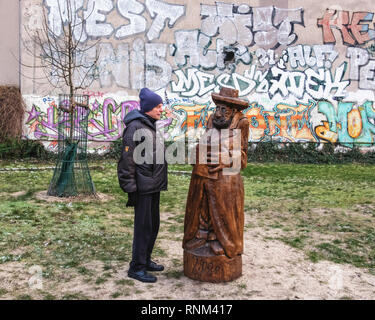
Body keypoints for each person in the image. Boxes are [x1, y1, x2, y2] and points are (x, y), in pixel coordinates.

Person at [183, 87, 249, 259]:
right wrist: (197, 152)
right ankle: (202, 234)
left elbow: (243, 158)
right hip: (204, 173)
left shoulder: (241, 123)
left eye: (223, 109)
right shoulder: (212, 120)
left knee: (222, 207)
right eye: (217, 108)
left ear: (233, 110)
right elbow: (206, 141)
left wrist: (226, 158)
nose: (218, 113)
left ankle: (219, 239)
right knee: (202, 203)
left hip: (226, 176)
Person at [118, 88, 168, 283]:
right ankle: (136, 267)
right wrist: (130, 188)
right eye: (157, 106)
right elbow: (127, 160)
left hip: (153, 184)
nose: (160, 109)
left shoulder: (149, 125)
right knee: (143, 227)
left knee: (153, 225)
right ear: (147, 108)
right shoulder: (135, 127)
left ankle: (145, 260)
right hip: (142, 186)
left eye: (161, 105)